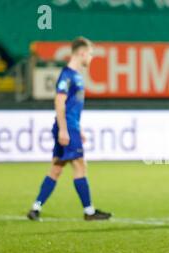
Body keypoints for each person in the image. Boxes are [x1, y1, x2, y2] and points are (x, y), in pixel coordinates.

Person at [27, 37, 112, 221]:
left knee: (56, 168)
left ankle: (35, 208)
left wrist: (77, 129)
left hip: (71, 126)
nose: (90, 58)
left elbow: (72, 107)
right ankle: (89, 211)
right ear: (81, 53)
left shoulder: (75, 76)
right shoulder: (67, 75)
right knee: (80, 165)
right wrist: (64, 130)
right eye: (89, 54)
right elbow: (59, 101)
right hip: (66, 126)